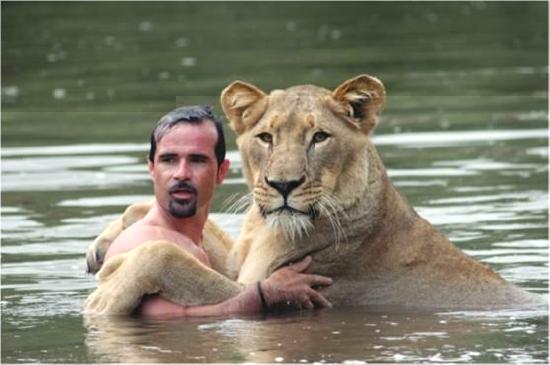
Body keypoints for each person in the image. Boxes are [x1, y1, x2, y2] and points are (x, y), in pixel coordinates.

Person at [102, 105, 333, 316]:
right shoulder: (139, 244)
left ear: (221, 171)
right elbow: (160, 324)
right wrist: (265, 295)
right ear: (151, 168)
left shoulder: (209, 244)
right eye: (169, 160)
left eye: (197, 160)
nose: (181, 173)